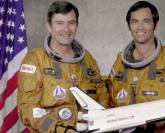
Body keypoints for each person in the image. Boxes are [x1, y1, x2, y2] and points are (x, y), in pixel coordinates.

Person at [108, 1, 165, 133]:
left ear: (154, 25)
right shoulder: (120, 61)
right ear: (129, 26)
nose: (140, 27)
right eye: (135, 21)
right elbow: (110, 100)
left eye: (146, 21)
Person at [17, 1, 109, 132]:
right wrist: (61, 130)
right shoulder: (35, 59)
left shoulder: (87, 59)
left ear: (77, 25)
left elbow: (103, 98)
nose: (66, 29)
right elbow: (28, 108)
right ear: (49, 26)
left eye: (71, 23)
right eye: (59, 23)